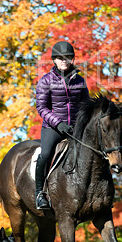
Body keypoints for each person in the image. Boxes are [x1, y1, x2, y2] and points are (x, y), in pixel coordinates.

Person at [35, 41, 89, 210]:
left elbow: (86, 105)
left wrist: (80, 123)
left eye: (67, 58)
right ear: (54, 60)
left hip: (75, 128)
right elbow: (41, 107)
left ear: (72, 59)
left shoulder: (79, 81)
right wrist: (59, 124)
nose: (63, 61)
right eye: (60, 58)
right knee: (45, 154)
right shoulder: (46, 81)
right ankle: (39, 194)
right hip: (53, 127)